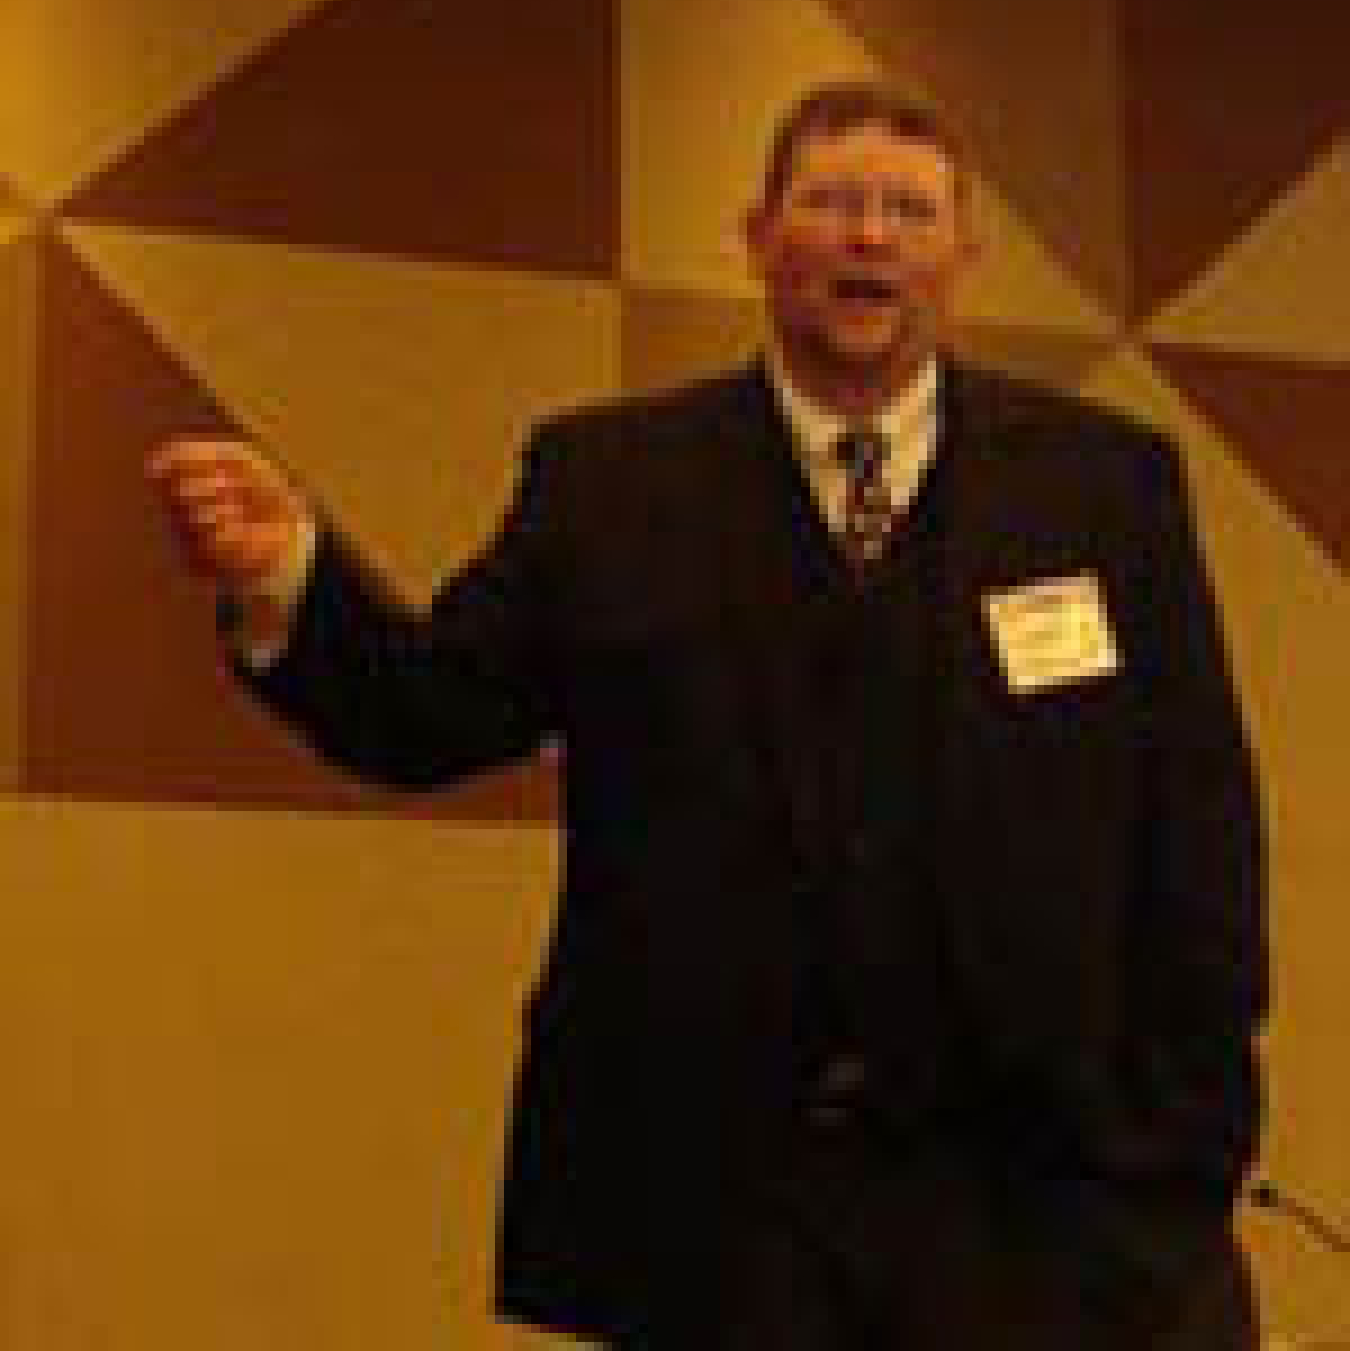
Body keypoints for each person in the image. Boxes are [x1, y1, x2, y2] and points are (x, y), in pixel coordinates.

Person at [146, 83, 1268, 1349]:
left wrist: (1186, 1147)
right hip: (714, 1207)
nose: (869, 236)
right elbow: (432, 708)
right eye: (832, 202)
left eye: (908, 210)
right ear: (758, 239)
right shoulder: (609, 482)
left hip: (1031, 1203)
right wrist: (287, 575)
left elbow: (1199, 826)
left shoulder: (1102, 485)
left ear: (961, 257)